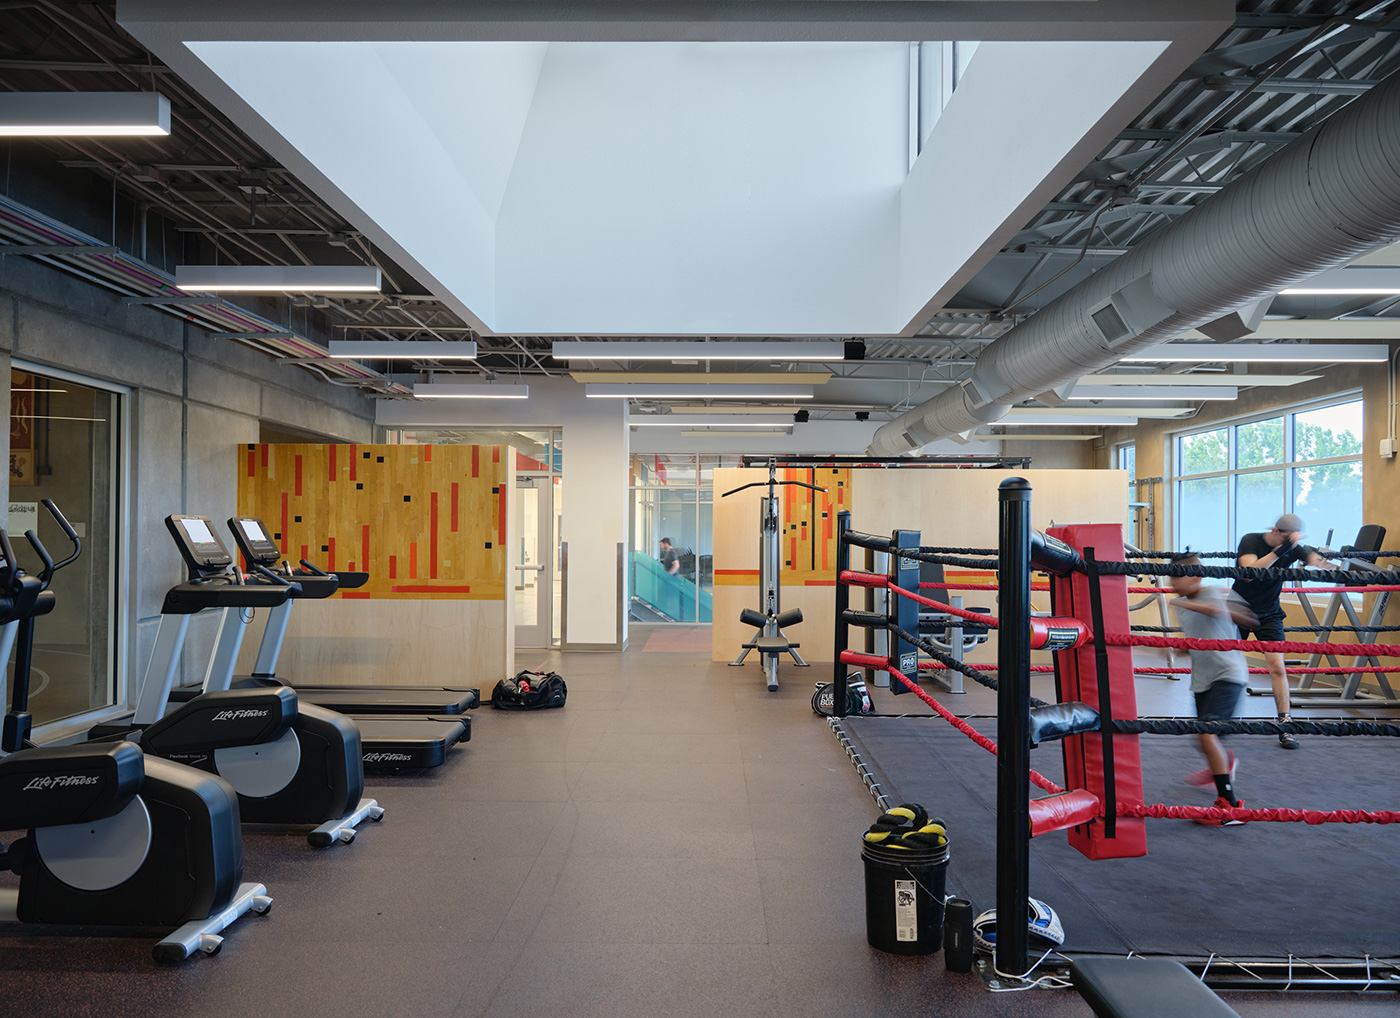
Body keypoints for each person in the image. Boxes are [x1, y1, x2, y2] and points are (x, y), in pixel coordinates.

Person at [1233, 513, 1334, 750]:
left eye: (1293, 541)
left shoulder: (1293, 546)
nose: (1291, 545)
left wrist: (1326, 563)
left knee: (1277, 666)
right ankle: (1218, 720)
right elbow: (1248, 574)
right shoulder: (1251, 540)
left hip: (1269, 612)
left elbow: (1314, 560)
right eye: (1288, 540)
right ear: (1275, 531)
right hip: (1238, 608)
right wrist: (1281, 550)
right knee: (1226, 662)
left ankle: (1285, 723)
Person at [1170, 554, 1257, 826]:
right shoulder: (1184, 606)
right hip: (1203, 679)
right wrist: (1178, 649)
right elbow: (1195, 640)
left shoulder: (1210, 593)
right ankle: (1224, 764)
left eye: (1177, 575)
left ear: (1196, 577)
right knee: (1203, 739)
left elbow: (1241, 617)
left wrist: (1191, 604)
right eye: (1169, 575)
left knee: (1207, 736)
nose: (1172, 581)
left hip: (1228, 675)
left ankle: (1230, 806)